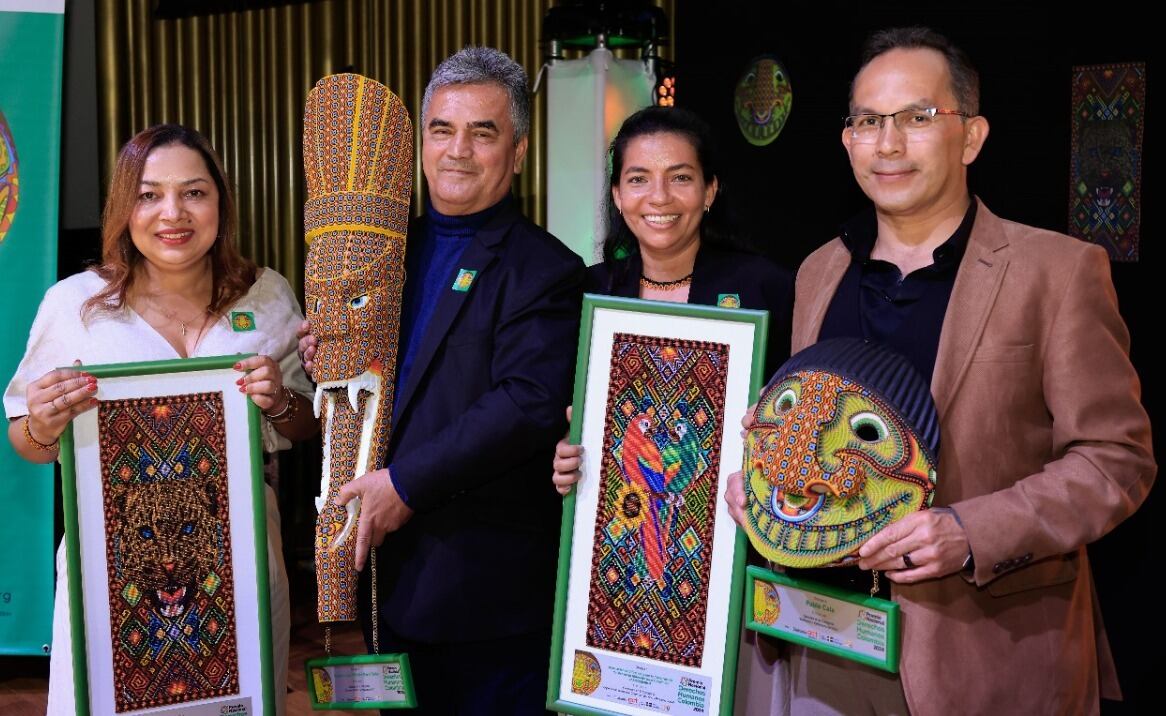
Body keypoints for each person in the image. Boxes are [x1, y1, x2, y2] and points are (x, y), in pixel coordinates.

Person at [725, 27, 1155, 715]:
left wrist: (970, 532)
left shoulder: (1057, 271)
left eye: (917, 117)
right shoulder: (818, 271)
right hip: (820, 644)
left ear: (972, 136)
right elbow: (818, 425)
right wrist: (762, 478)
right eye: (868, 121)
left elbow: (1116, 461)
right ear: (847, 140)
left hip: (986, 655)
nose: (888, 143)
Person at [299, 47, 584, 714]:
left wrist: (404, 484)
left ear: (517, 152)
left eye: (483, 132)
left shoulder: (546, 270)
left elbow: (527, 403)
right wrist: (330, 357)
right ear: (420, 143)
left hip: (487, 600)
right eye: (442, 129)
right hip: (388, 584)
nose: (458, 150)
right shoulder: (382, 250)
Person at [4, 124, 316, 716]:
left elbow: (305, 424)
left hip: (241, 556)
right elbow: (26, 438)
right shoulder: (76, 305)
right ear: (125, 208)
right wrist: (43, 424)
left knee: (239, 698)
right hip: (112, 565)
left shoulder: (266, 295)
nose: (173, 213)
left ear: (221, 201)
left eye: (194, 192)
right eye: (149, 195)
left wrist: (278, 401)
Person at [551, 105, 794, 496]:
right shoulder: (588, 293)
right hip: (625, 513)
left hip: (740, 511)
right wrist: (570, 452)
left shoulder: (765, 288)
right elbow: (568, 416)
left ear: (709, 190)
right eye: (638, 179)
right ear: (617, 195)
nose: (659, 197)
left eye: (680, 177)